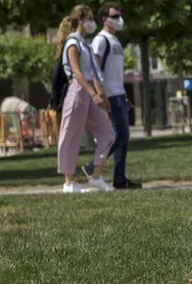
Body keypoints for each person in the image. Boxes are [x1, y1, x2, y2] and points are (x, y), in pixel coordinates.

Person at [56, 5, 115, 193]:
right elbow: (77, 73)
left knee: (108, 135)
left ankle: (95, 176)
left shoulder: (85, 44)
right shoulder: (72, 43)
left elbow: (94, 74)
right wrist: (93, 95)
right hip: (78, 91)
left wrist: (102, 97)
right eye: (89, 18)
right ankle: (68, 183)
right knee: (71, 136)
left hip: (90, 92)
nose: (92, 23)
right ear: (80, 20)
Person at [82, 2, 140, 189]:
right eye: (114, 16)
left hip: (118, 94)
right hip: (109, 95)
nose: (118, 20)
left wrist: (123, 94)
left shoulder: (116, 41)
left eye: (119, 15)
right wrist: (101, 95)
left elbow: (115, 72)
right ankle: (92, 166)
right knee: (121, 135)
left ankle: (119, 179)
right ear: (104, 19)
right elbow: (94, 69)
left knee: (124, 138)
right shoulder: (101, 40)